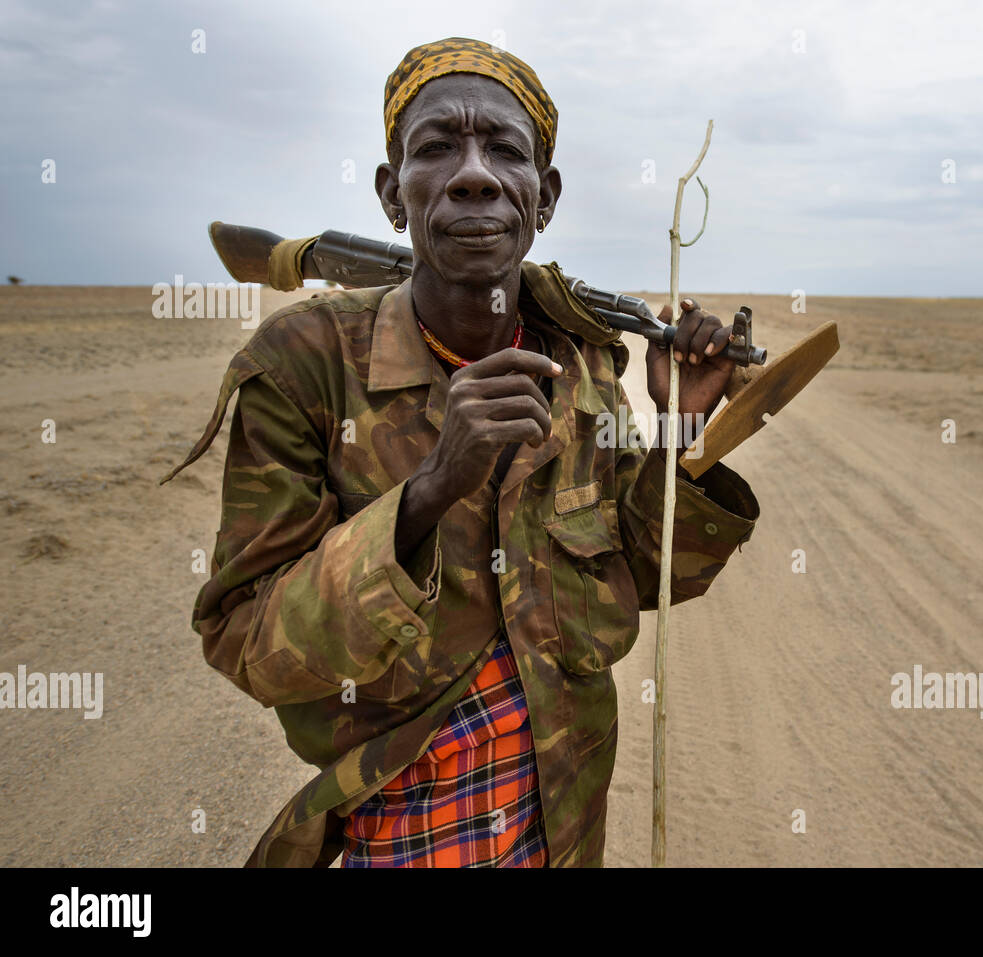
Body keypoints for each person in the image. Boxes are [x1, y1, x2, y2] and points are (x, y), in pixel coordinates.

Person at [163, 37, 759, 867]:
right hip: (398, 831)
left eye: (505, 151)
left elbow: (643, 573)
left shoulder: (581, 363)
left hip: (560, 822)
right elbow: (245, 640)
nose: (474, 173)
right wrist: (429, 491)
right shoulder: (305, 364)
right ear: (391, 192)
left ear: (542, 198)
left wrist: (683, 433)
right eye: (438, 146)